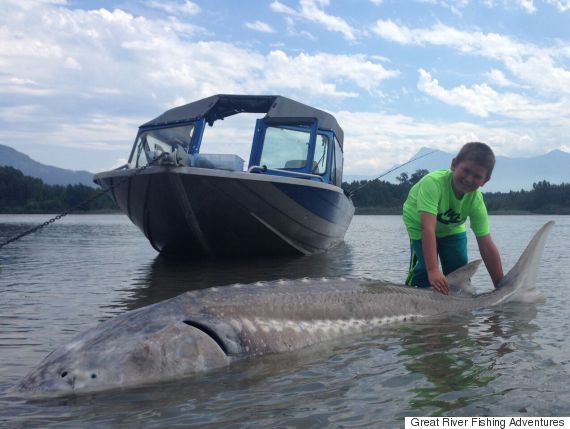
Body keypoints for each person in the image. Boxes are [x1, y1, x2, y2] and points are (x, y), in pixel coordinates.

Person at [402, 142, 504, 294]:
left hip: (452, 228)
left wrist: (501, 287)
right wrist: (433, 269)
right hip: (419, 224)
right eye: (466, 171)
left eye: (477, 176)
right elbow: (428, 229)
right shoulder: (433, 183)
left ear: (485, 181)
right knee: (423, 271)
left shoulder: (476, 201)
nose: (469, 179)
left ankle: (457, 310)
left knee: (458, 270)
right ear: (454, 165)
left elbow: (487, 246)